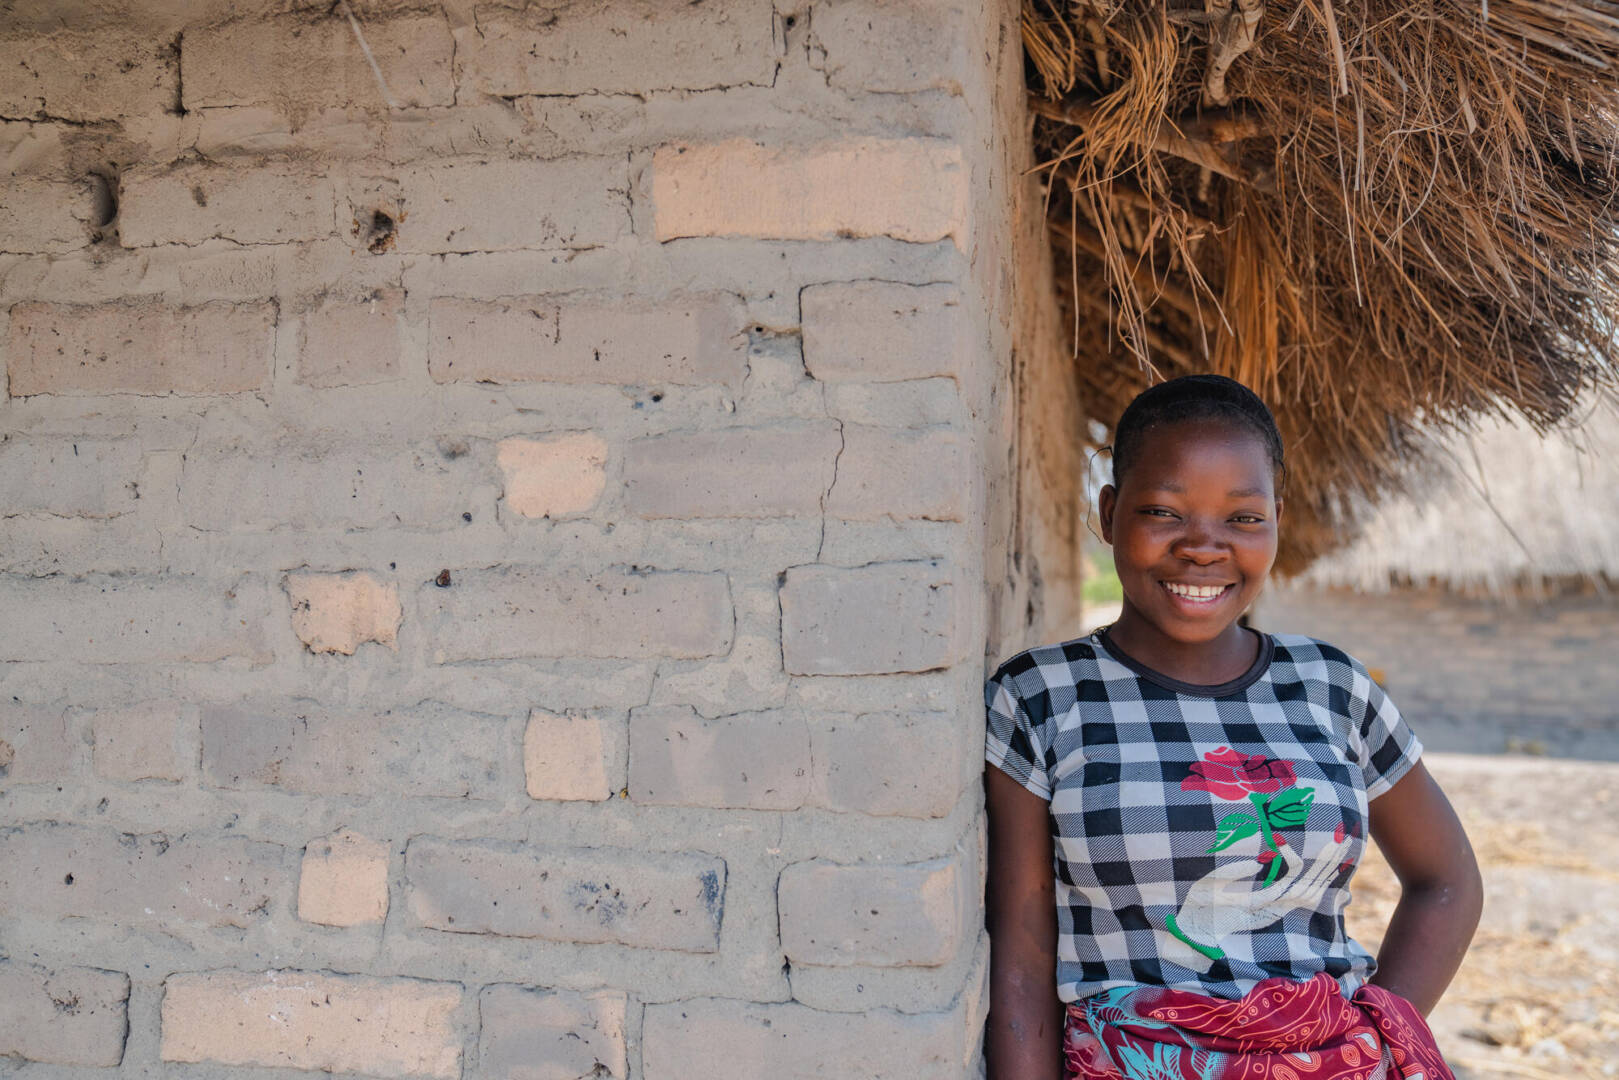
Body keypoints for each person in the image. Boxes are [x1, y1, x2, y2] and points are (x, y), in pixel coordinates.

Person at [983, 374, 1483, 1080]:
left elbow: (1446, 881)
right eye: (1162, 511)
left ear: (1276, 520)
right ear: (1107, 512)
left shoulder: (1332, 688)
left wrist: (1375, 1033)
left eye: (1242, 518)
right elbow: (1024, 956)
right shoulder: (1041, 696)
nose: (1203, 546)